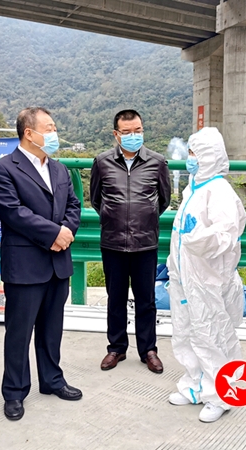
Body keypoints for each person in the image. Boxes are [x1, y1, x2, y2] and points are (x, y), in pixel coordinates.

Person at [0, 107, 82, 421]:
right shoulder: (2, 169)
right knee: (19, 331)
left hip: (58, 261)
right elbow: (13, 212)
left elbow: (73, 205)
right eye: (49, 128)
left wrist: (66, 232)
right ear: (29, 132)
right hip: (25, 263)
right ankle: (14, 392)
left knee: (52, 328)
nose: (54, 133)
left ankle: (52, 379)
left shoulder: (59, 169)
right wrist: (54, 234)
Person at [166, 127, 246, 423]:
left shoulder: (220, 192)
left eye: (194, 153)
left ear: (208, 156)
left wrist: (195, 237)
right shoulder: (194, 187)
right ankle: (194, 386)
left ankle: (220, 395)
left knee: (212, 335)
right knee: (186, 331)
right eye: (189, 152)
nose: (190, 158)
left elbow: (225, 237)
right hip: (185, 275)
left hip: (207, 278)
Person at [90, 109, 171, 373]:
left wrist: (143, 220)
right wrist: (113, 219)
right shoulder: (102, 162)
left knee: (146, 299)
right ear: (116, 134)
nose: (133, 136)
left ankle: (148, 350)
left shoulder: (157, 162)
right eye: (127, 132)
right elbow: (96, 199)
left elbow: (163, 200)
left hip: (145, 243)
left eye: (138, 131)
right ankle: (116, 348)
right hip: (113, 242)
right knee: (115, 298)